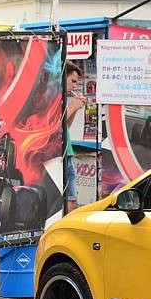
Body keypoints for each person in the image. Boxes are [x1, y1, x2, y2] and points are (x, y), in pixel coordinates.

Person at [63, 61, 85, 214]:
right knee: (70, 199)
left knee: (71, 199)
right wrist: (72, 107)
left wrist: (75, 109)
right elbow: (57, 127)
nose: (75, 86)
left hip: (68, 153)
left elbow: (66, 127)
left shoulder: (64, 100)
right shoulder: (53, 99)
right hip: (62, 155)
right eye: (73, 81)